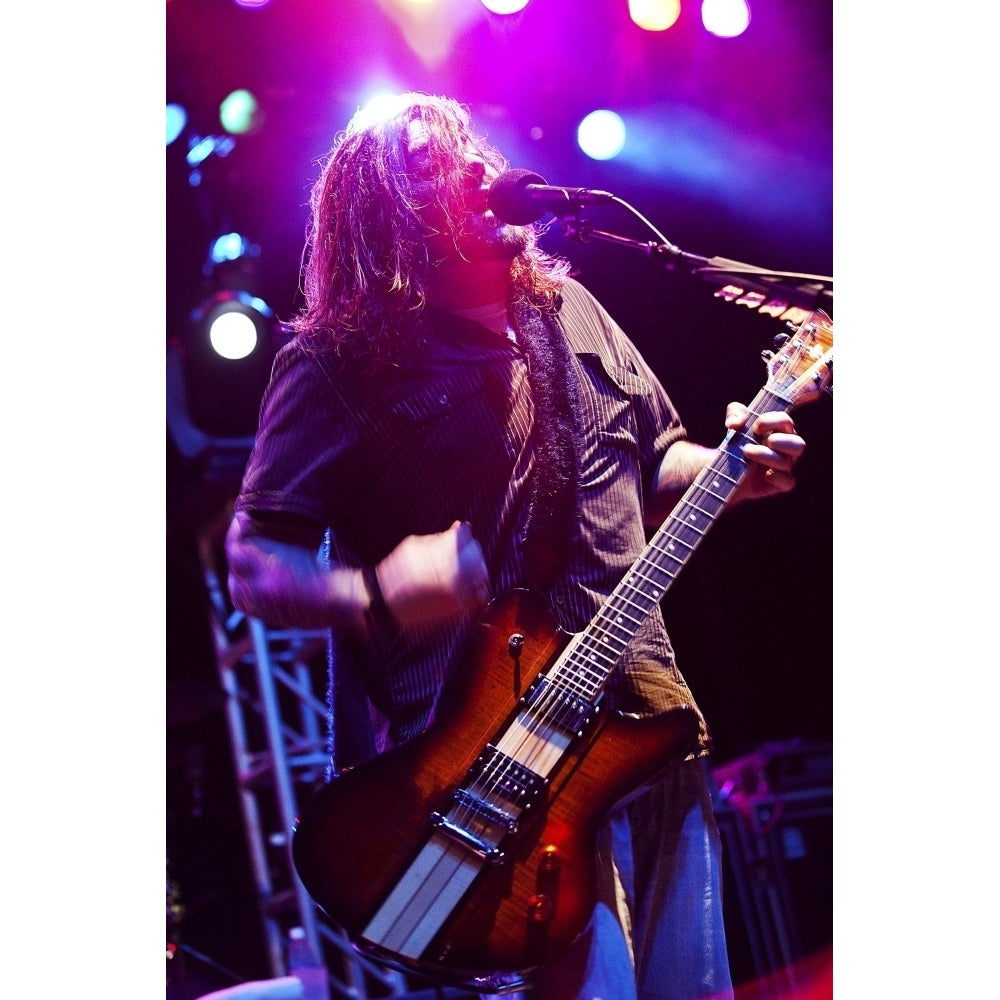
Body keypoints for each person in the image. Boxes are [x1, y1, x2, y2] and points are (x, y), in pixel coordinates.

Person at [225, 92, 807, 1000]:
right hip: (496, 773)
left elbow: (654, 464)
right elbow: (255, 562)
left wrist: (738, 465)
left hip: (645, 723)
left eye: (468, 146)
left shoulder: (573, 310)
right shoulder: (338, 362)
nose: (467, 164)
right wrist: (376, 592)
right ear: (383, 213)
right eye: (429, 159)